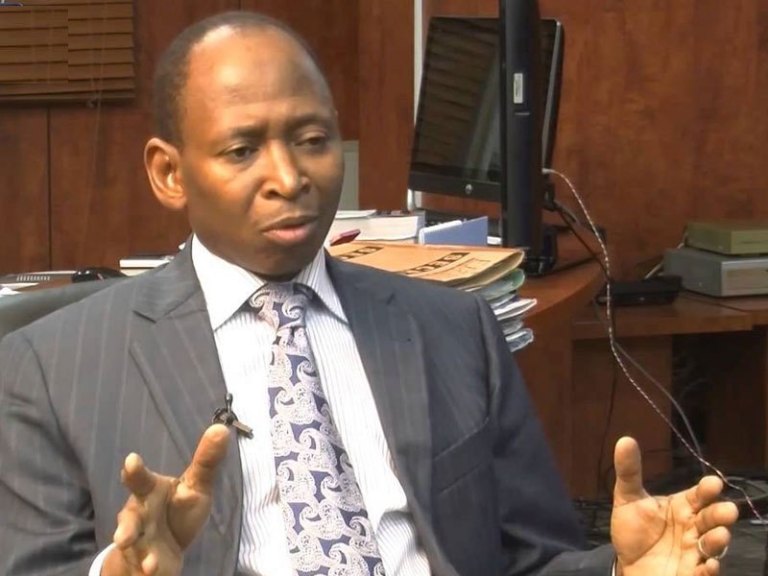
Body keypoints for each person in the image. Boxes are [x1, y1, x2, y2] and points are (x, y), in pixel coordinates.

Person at [0, 10, 737, 576]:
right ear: (169, 173)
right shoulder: (48, 368)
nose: (290, 177)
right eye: (243, 149)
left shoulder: (456, 330)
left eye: (313, 140)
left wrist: (620, 570)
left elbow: (530, 559)